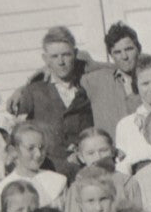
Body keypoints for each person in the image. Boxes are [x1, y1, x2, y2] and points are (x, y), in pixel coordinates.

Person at [9, 26, 97, 172]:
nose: (61, 62)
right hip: (49, 171)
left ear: (75, 54)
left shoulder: (86, 88)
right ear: (45, 59)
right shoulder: (34, 92)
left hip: (84, 172)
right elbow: (19, 133)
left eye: (66, 55)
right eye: (54, 56)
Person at [80, 22, 144, 135]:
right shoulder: (96, 80)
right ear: (111, 55)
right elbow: (75, 58)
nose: (124, 56)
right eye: (117, 52)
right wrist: (47, 68)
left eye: (129, 49)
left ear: (138, 49)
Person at [60, 127, 130, 212]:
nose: (98, 157)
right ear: (81, 157)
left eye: (103, 150)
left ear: (112, 151)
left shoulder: (127, 182)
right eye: (91, 153)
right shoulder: (76, 188)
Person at [0, 122, 67, 210]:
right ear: (13, 151)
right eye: (31, 148)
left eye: (41, 148)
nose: (38, 154)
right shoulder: (0, 190)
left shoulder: (58, 181)